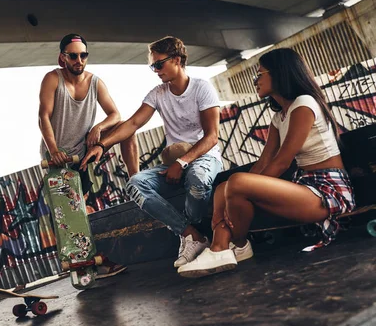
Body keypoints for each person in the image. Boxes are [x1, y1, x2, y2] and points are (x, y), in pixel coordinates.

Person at [178, 48, 356, 278]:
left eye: (259, 74)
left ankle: (224, 247)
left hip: (329, 192)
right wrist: (229, 193)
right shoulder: (278, 117)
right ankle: (234, 246)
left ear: (279, 73)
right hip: (305, 187)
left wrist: (239, 189)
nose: (255, 81)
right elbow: (263, 162)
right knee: (226, 187)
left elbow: (282, 162)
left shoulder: (304, 104)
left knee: (237, 184)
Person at [81, 36, 228, 269]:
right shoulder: (158, 93)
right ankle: (191, 234)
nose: (155, 70)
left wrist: (182, 162)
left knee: (197, 180)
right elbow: (132, 124)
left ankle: (197, 230)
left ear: (177, 60)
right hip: (176, 162)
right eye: (152, 66)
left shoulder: (202, 88)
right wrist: (102, 145)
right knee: (136, 184)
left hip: (204, 158)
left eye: (159, 64)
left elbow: (212, 136)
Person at [39, 33, 134, 277]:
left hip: (83, 152)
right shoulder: (52, 79)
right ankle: (89, 262)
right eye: (73, 55)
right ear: (63, 58)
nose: (79, 60)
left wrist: (97, 128)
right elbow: (43, 117)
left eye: (83, 55)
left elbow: (115, 114)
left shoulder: (95, 82)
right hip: (59, 158)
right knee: (73, 212)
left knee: (125, 128)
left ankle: (136, 181)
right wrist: (54, 151)